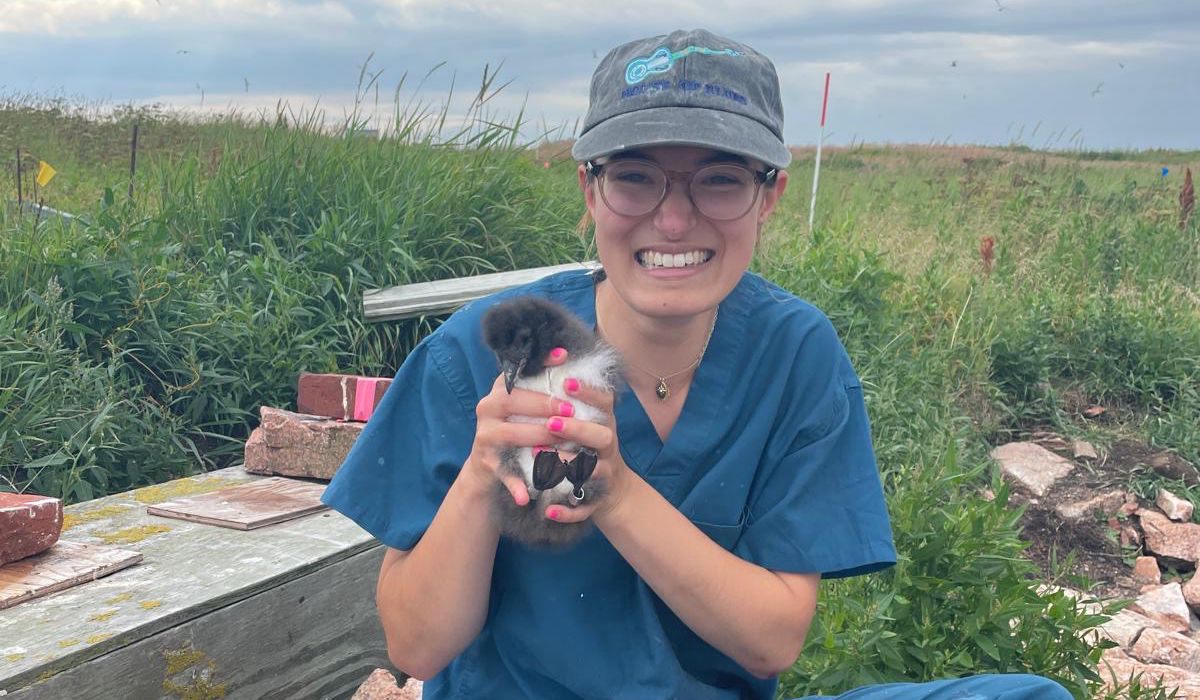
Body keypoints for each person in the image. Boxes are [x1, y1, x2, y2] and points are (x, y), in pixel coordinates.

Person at [322, 28, 1073, 700]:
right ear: (589, 188)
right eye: (636, 176)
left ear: (769, 196)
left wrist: (614, 493)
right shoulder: (482, 350)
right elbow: (415, 647)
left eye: (719, 179)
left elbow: (772, 639)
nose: (674, 219)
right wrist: (483, 477)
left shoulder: (793, 354)